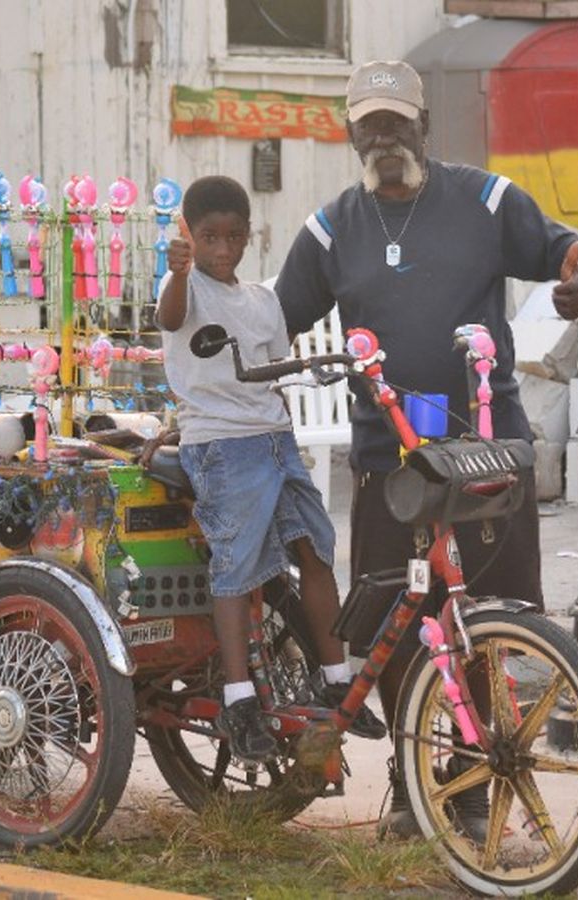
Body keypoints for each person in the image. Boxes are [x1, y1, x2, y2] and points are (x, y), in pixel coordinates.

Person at [274, 61, 578, 835]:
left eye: (397, 122)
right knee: (394, 627)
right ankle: (413, 779)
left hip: (483, 452)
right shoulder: (332, 230)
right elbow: (274, 321)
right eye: (369, 125)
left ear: (424, 126)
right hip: (387, 462)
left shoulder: (485, 202)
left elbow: (572, 251)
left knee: (485, 621)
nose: (383, 137)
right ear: (350, 133)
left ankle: (472, 781)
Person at [157, 175, 386, 762]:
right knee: (236, 567)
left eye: (234, 237)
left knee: (315, 550)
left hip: (276, 440)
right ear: (189, 236)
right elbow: (170, 317)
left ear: (249, 236)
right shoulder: (185, 288)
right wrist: (177, 271)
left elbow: (274, 370)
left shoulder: (263, 300)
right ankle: (238, 698)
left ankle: (334, 677)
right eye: (209, 238)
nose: (223, 249)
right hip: (221, 446)